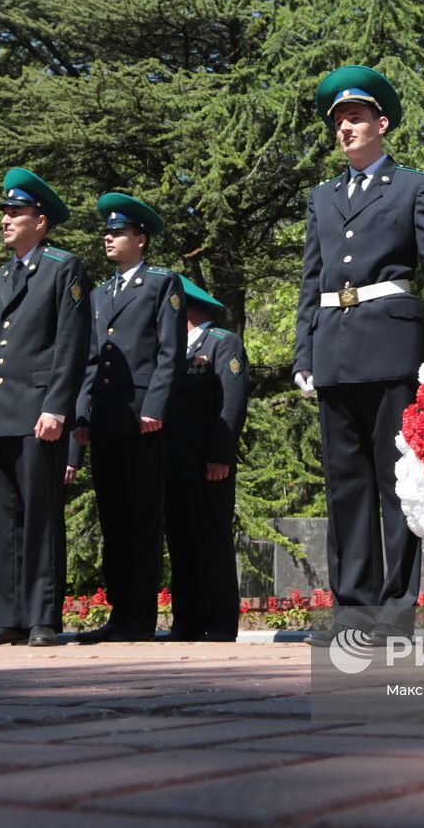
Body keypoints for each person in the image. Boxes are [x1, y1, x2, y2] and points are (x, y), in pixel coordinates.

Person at [294, 66, 424, 646]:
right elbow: (311, 280)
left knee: (395, 483)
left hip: (390, 347)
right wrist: (304, 351)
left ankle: (395, 611)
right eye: (338, 121)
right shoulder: (321, 199)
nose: (345, 129)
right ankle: (352, 610)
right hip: (333, 347)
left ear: (381, 124)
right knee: (344, 486)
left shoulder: (411, 187)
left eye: (355, 117)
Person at [0, 170, 91, 647]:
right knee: (0, 518)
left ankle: (41, 616)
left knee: (38, 515)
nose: (5, 220)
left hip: (39, 410)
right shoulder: (1, 276)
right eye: (5, 212)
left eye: (15, 213)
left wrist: (58, 406)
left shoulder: (62, 267)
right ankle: (6, 616)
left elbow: (71, 343)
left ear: (40, 220)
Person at [72, 193, 185, 643]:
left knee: (141, 517)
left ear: (141, 238)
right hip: (106, 416)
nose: (109, 237)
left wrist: (155, 406)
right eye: (107, 231)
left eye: (118, 232)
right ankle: (119, 612)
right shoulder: (100, 293)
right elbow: (89, 360)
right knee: (113, 517)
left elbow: (169, 353)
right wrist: (81, 412)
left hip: (142, 417)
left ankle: (139, 615)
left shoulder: (161, 283)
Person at [163, 275, 249, 642]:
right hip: (173, 464)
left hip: (209, 465)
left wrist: (220, 456)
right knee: (180, 543)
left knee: (211, 542)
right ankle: (186, 622)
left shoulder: (222, 343)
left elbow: (231, 404)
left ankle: (219, 623)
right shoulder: (173, 350)